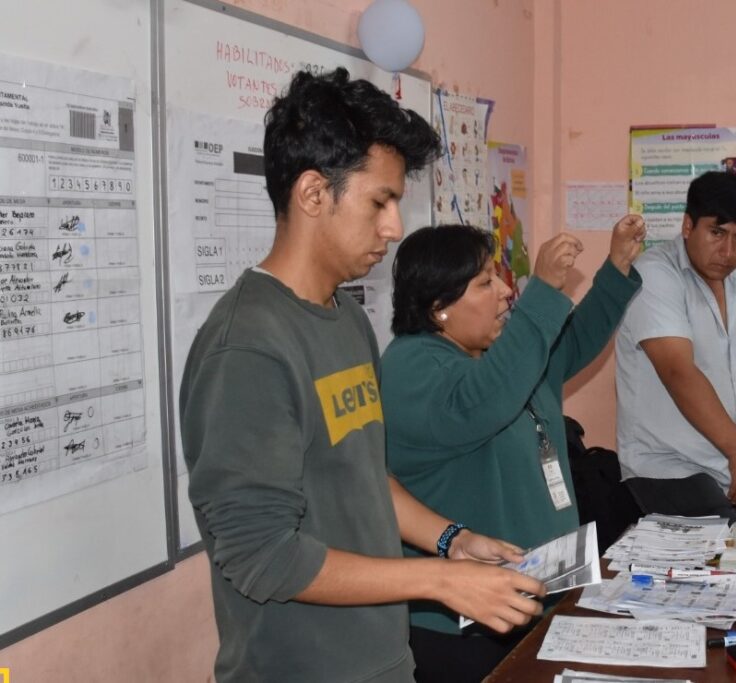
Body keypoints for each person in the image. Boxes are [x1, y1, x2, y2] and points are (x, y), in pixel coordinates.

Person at [179, 68, 546, 683]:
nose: (394, 227)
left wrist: (452, 540)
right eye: (380, 201)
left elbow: (361, 475)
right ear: (314, 194)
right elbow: (262, 555)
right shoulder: (247, 347)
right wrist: (441, 581)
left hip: (382, 660)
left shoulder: (346, 318)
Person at [382, 217, 646, 682]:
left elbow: (573, 340)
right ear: (439, 307)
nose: (506, 291)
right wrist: (542, 290)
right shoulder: (411, 366)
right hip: (461, 627)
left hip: (541, 597)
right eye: (485, 283)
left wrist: (617, 266)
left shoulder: (500, 352)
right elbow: (483, 400)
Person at [615, 171, 736, 523]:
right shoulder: (653, 276)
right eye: (717, 233)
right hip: (666, 469)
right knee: (723, 557)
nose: (728, 252)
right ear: (688, 226)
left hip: (726, 466)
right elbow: (677, 371)